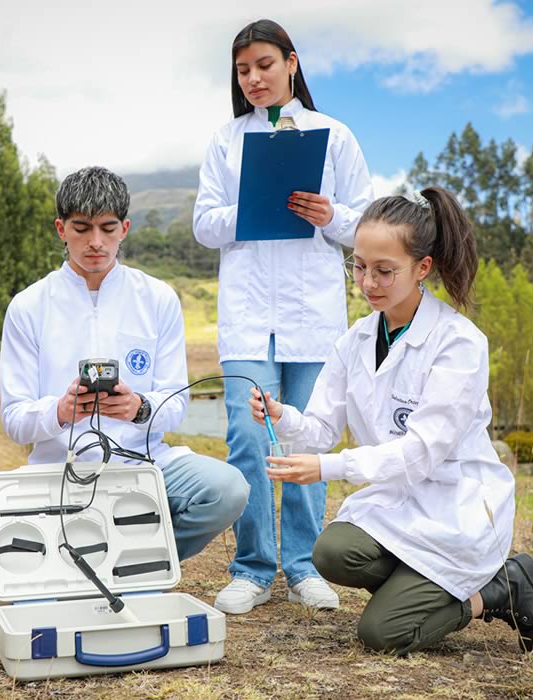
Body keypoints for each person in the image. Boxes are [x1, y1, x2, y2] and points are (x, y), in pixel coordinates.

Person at [250, 187, 533, 655]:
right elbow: (321, 430)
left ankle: (498, 589)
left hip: (458, 510)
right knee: (332, 553)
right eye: (358, 266)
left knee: (382, 634)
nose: (368, 282)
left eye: (384, 271)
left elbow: (420, 452)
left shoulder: (458, 343)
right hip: (400, 505)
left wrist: (325, 468)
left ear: (423, 268)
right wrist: (282, 416)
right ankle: (424, 588)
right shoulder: (355, 340)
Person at [193, 18, 374, 614]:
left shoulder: (335, 136)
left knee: (308, 440)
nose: (254, 78)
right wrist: (248, 208)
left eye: (264, 65)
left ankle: (302, 566)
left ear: (291, 63)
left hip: (312, 317)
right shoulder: (225, 141)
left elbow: (364, 226)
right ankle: (251, 567)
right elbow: (203, 225)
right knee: (248, 438)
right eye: (243, 70)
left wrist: (328, 214)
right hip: (247, 318)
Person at [0, 166, 249, 562]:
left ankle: (137, 564)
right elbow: (14, 418)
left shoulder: (158, 298)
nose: (95, 242)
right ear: (61, 229)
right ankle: (98, 566)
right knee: (10, 536)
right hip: (58, 469)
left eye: (108, 228)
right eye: (81, 228)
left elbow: (176, 402)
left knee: (228, 488)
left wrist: (140, 408)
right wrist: (60, 412)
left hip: (144, 462)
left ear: (125, 229)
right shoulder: (29, 306)